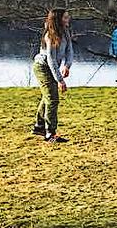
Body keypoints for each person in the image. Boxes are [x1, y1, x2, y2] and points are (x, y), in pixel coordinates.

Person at [32, 8, 73, 143]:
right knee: (52, 99)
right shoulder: (50, 35)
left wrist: (67, 65)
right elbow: (51, 59)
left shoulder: (65, 32)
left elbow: (69, 51)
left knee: (48, 96)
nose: (68, 19)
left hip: (52, 67)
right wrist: (60, 80)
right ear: (58, 19)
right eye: (66, 17)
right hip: (42, 67)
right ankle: (50, 133)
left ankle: (39, 126)